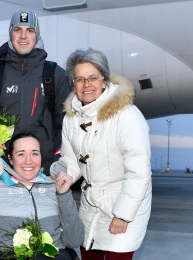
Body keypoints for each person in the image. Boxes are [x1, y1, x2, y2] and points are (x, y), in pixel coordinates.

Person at [59, 48, 152, 260]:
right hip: (90, 205)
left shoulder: (126, 116)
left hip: (124, 203)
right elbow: (71, 161)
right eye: (79, 79)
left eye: (93, 77)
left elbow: (139, 173)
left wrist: (123, 214)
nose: (86, 84)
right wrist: (66, 177)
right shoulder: (71, 118)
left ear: (104, 80)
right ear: (73, 83)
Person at [0, 132, 84, 259]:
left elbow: (75, 240)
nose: (28, 161)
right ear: (10, 159)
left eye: (35, 153)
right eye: (21, 154)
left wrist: (64, 194)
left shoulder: (54, 188)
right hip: (5, 255)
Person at [0, 8, 71, 175]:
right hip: (4, 171)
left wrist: (56, 163)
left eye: (30, 30)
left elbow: (68, 126)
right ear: (11, 34)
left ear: (37, 35)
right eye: (17, 30)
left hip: (45, 171)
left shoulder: (55, 75)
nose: (23, 36)